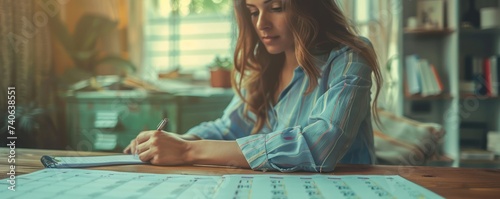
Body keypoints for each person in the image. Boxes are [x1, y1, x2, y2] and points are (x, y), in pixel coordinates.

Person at [124, 0, 382, 173]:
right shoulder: (264, 68)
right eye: (253, 11)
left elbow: (321, 145)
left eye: (276, 7)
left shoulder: (349, 56)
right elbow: (227, 129)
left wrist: (188, 150)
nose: (261, 24)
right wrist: (173, 141)